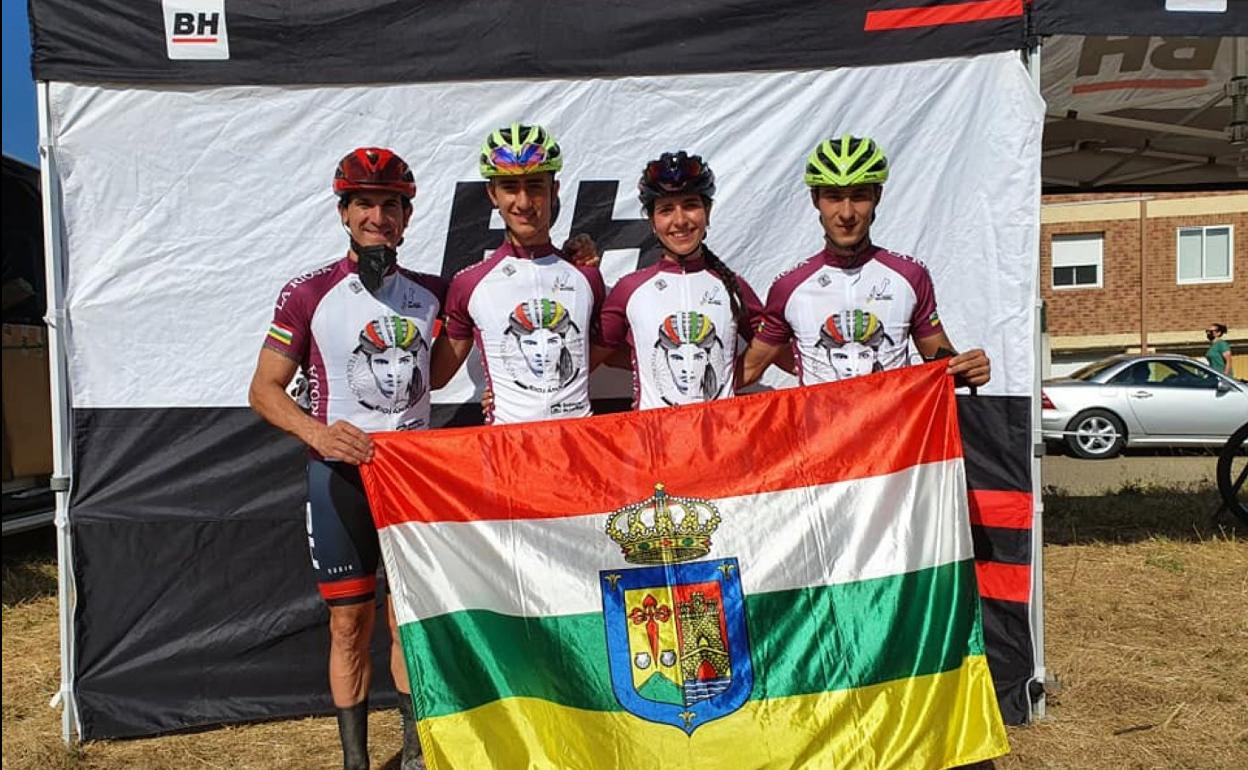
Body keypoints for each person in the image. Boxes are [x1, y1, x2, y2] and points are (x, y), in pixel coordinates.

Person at [248, 147, 442, 770]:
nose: (377, 216)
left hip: (410, 482)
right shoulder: (307, 293)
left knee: (407, 621)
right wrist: (318, 434)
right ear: (343, 213)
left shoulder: (432, 294)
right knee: (348, 624)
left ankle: (414, 757)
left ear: (406, 217)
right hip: (339, 479)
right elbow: (263, 390)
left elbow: (456, 354)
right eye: (364, 204)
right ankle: (356, 763)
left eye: (390, 205)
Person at [741, 134, 991, 389]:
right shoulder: (788, 286)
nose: (847, 213)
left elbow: (940, 364)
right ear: (815, 199)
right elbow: (748, 370)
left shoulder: (911, 275)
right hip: (822, 418)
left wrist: (969, 370)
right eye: (833, 197)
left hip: (893, 416)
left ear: (877, 196)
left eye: (859, 196)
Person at [430, 124, 606, 422]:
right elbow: (434, 378)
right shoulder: (468, 284)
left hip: (578, 443)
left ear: (554, 191)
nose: (523, 202)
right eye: (510, 187)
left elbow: (614, 350)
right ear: (492, 194)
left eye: (535, 186)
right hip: (507, 445)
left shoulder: (585, 276)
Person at [596, 151, 764, 409]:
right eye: (666, 209)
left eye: (690, 205)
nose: (680, 220)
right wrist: (651, 367)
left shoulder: (733, 286)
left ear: (707, 212)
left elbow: (773, 345)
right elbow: (602, 354)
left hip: (721, 431)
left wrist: (726, 377)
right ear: (652, 221)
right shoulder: (629, 289)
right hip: (655, 432)